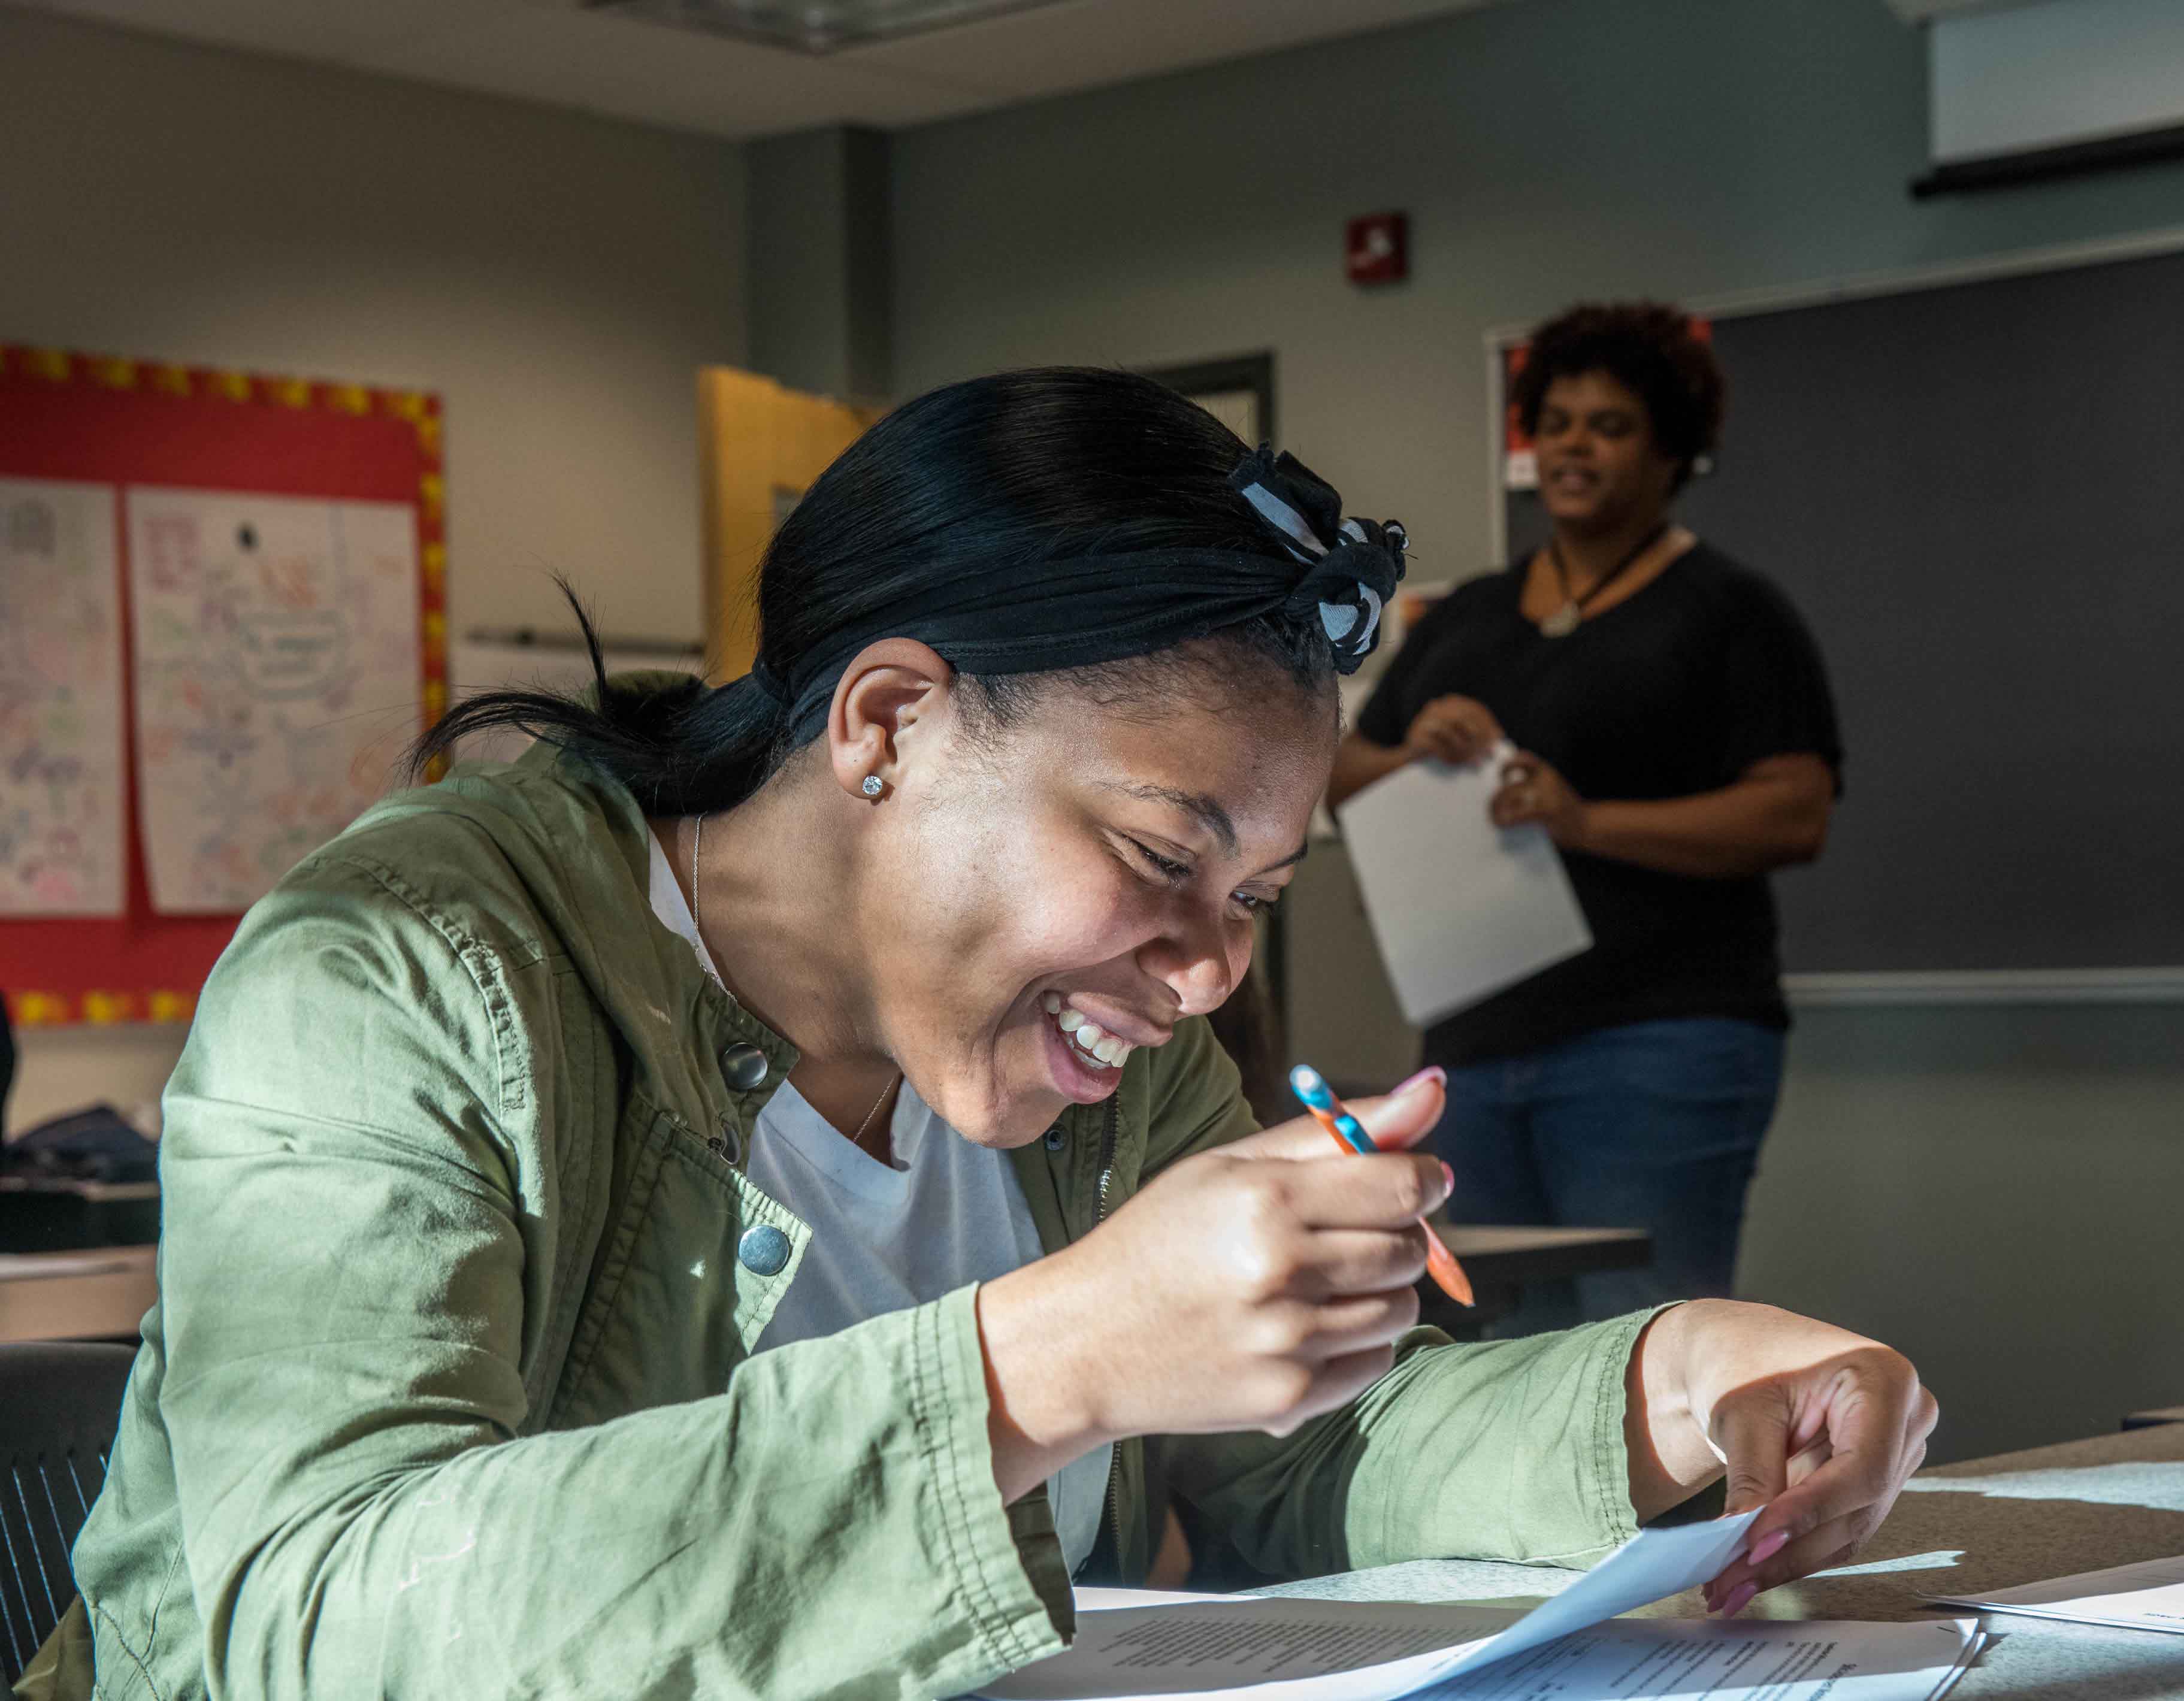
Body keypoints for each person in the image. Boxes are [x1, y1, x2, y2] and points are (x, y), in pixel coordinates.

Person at [23, 370, 1923, 1701]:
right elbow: (314, 1618)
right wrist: (1044, 1367)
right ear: (887, 723)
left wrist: (1667, 1386)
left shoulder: (1100, 1049)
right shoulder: (400, 970)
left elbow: (1290, 1466)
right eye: (1164, 855)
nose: (1202, 979)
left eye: (1255, 897)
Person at [1331, 304, 1841, 1331]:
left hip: (1661, 1040)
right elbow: (1335, 771)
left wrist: (1586, 820)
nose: (1572, 445)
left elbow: (1793, 813)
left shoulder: (1732, 611)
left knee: (1639, 1336)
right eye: (1555, 421)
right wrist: (1410, 748)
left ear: (1672, 454)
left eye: (1607, 426)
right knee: (1479, 1334)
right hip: (1473, 1040)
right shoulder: (1471, 613)